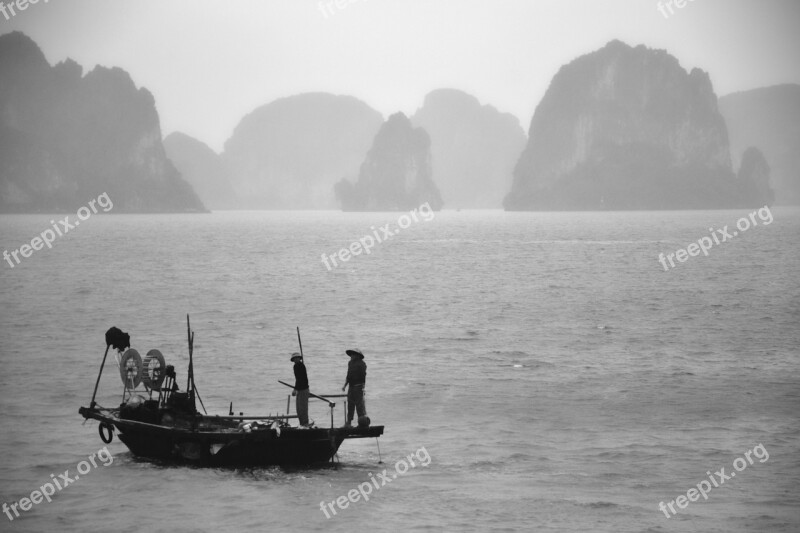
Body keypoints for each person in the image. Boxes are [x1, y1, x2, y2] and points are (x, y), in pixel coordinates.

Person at [341, 348, 367, 427]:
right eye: (351, 354)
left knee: (359, 406)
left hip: (358, 387)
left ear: (357, 356)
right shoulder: (350, 363)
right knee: (350, 405)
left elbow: (363, 375)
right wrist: (345, 385)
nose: (351, 356)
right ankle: (349, 422)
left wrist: (363, 387)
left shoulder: (362, 364)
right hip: (351, 387)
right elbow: (348, 375)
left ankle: (361, 423)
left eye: (353, 354)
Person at [290, 353, 310, 427]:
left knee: (303, 408)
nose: (295, 359)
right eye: (294, 358)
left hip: (303, 389)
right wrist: (296, 388)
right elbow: (298, 379)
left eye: (297, 358)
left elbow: (300, 378)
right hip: (300, 389)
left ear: (299, 358)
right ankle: (302, 423)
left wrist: (295, 389)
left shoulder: (301, 366)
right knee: (299, 409)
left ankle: (305, 423)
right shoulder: (296, 366)